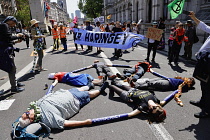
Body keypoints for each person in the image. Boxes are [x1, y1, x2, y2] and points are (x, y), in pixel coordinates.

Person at [18, 82, 109, 129]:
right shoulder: (47, 120)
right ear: (31, 119)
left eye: (25, 112)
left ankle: (90, 84)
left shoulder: (35, 105)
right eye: (27, 114)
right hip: (74, 100)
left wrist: (53, 85)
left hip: (66, 93)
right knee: (88, 94)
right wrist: (85, 122)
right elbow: (65, 123)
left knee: (80, 89)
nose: (27, 111)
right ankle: (100, 90)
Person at [188, 11, 210, 118]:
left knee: (208, 86)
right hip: (204, 62)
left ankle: (207, 110)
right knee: (203, 83)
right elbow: (204, 26)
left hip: (209, 63)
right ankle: (203, 102)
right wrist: (194, 17)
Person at [0, 16, 25, 93]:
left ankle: (15, 83)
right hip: (5, 52)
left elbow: (6, 40)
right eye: (14, 23)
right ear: (10, 21)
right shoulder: (4, 25)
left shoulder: (4, 26)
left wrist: (16, 42)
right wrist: (18, 35)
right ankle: (14, 88)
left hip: (6, 50)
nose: (14, 25)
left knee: (12, 68)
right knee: (11, 69)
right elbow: (9, 37)